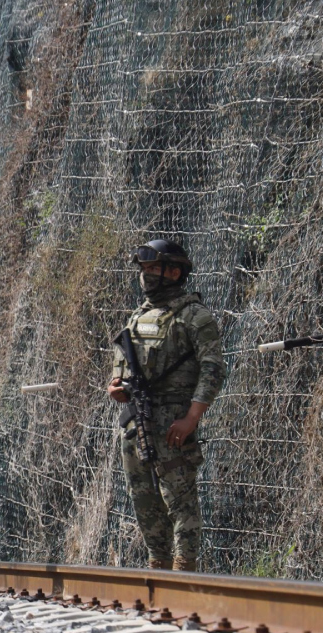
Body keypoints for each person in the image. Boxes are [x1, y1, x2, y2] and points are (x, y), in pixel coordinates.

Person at [107, 240, 226, 572]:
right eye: (144, 270)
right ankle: (158, 568)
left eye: (154, 269)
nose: (146, 276)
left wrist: (191, 417)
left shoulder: (194, 315)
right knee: (144, 500)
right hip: (136, 422)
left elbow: (213, 368)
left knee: (180, 500)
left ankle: (184, 570)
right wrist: (116, 386)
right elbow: (122, 365)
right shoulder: (138, 316)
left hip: (173, 423)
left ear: (175, 272)